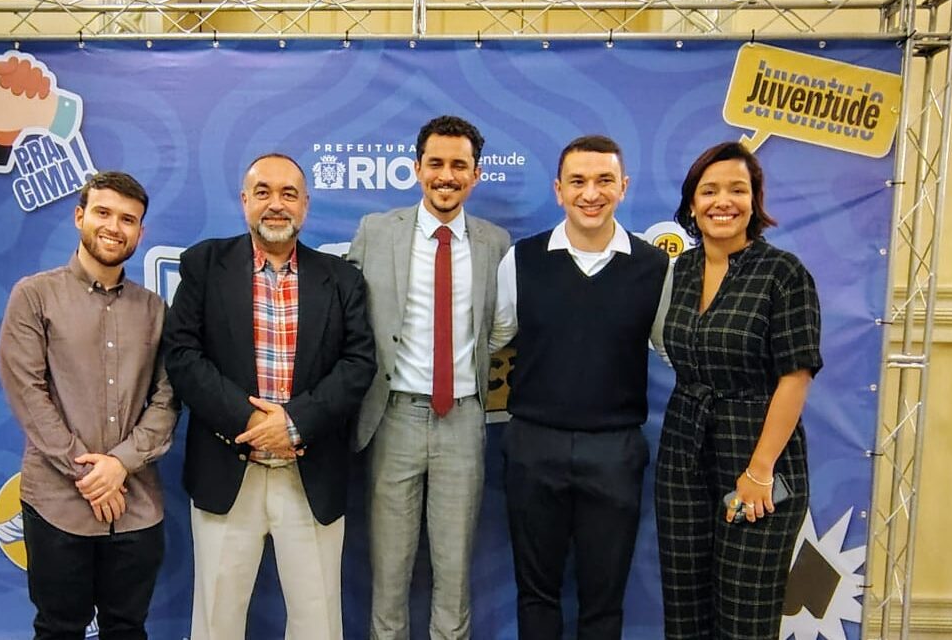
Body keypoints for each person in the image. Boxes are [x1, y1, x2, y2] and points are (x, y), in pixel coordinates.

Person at [163, 153, 377, 640]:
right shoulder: (204, 264)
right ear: (244, 202)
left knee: (317, 623)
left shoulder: (341, 278)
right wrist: (253, 423)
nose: (275, 205)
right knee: (217, 621)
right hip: (226, 468)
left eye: (288, 194)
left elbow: (359, 363)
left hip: (310, 474)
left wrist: (294, 423)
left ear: (305, 205)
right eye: (263, 193)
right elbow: (182, 355)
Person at [490, 135, 671, 639]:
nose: (591, 193)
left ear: (623, 186)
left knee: (604, 600)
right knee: (537, 594)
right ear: (558, 190)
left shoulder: (654, 266)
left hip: (614, 451)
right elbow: (493, 339)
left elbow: (672, 349)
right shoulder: (521, 260)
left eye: (604, 181)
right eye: (578, 181)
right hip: (532, 445)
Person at [349, 115, 511, 640]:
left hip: (463, 419)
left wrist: (461, 368)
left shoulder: (494, 242)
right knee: (389, 571)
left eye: (459, 165)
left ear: (475, 175)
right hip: (392, 416)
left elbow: (499, 327)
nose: (446, 175)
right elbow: (347, 318)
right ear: (416, 168)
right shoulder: (377, 231)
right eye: (435, 163)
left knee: (454, 570)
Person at [0, 171, 178, 640]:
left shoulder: (155, 310)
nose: (114, 227)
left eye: (128, 219)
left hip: (136, 504)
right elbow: (27, 392)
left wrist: (119, 465)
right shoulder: (34, 296)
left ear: (141, 232)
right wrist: (91, 476)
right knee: (59, 629)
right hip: (57, 503)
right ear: (80, 216)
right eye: (103, 213)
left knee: (127, 628)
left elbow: (168, 398)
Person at [655, 141, 822, 639]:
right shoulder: (680, 270)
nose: (722, 201)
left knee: (744, 617)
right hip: (683, 453)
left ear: (755, 200)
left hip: (757, 460)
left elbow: (795, 376)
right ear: (691, 204)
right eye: (709, 190)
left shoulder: (783, 274)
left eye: (737, 189)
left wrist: (759, 471)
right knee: (684, 609)